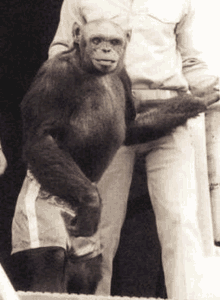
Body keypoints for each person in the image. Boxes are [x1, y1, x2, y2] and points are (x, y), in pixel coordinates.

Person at [12, 0, 220, 298]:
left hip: (158, 101)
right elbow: (38, 141)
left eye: (114, 43)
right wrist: (75, 92)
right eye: (97, 41)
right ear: (79, 39)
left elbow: (130, 128)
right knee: (97, 231)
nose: (106, 49)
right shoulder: (63, 64)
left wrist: (199, 99)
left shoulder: (120, 71)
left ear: (126, 43)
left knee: (180, 220)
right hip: (89, 112)